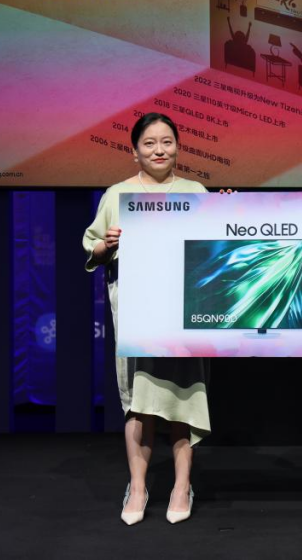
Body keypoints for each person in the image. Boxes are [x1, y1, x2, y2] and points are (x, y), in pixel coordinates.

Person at [83, 112, 210, 526]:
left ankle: (181, 486)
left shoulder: (195, 192)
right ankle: (137, 487)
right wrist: (107, 244)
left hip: (184, 312)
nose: (159, 150)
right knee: (138, 400)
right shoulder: (117, 194)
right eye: (150, 143)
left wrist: (226, 210)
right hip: (137, 312)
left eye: (167, 142)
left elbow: (214, 249)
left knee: (182, 395)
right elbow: (93, 250)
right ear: (134, 151)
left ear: (178, 147)